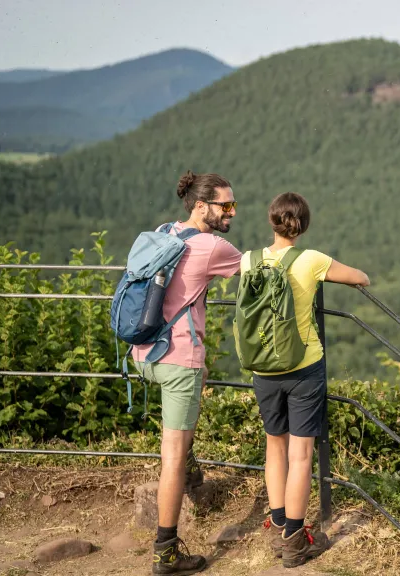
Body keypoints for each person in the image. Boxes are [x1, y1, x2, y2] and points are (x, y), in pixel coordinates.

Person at [243, 192, 369, 568]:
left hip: (263, 367)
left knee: (274, 447)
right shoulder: (311, 259)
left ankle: (276, 523)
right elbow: (360, 277)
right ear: (303, 225)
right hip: (303, 368)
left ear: (272, 222)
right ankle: (296, 541)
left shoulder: (251, 260)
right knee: (301, 455)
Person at [132, 170, 242, 575]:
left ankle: (189, 462)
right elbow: (260, 267)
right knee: (171, 456)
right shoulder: (213, 246)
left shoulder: (164, 232)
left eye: (233, 204)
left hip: (143, 353)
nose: (232, 212)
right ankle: (165, 552)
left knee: (202, 372)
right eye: (225, 205)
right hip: (179, 362)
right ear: (201, 206)